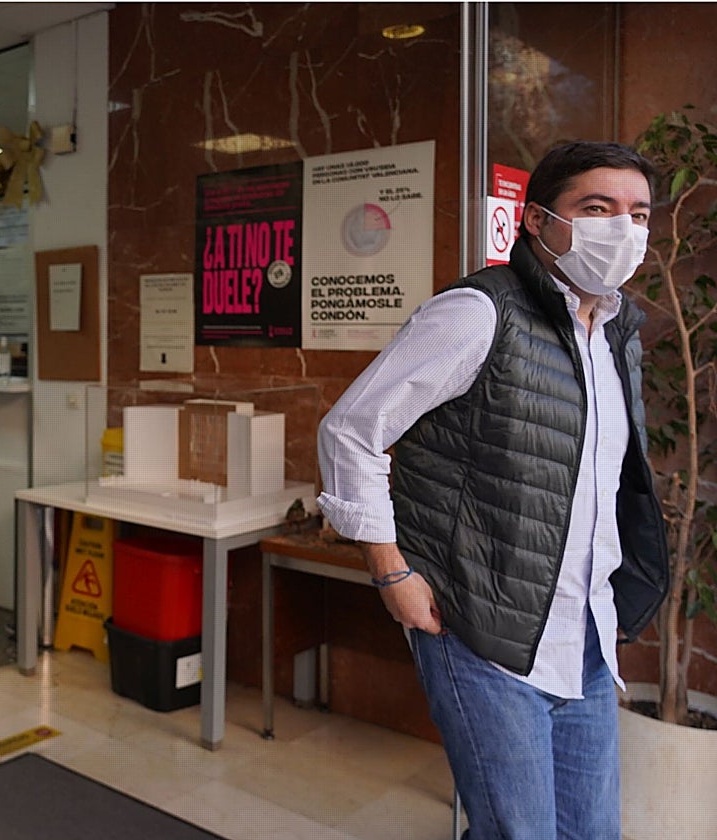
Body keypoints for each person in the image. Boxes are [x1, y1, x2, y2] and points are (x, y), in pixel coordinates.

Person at [316, 141, 669, 839]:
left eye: (637, 214)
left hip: (587, 633)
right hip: (480, 629)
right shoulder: (480, 312)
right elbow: (351, 431)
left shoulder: (617, 331)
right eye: (597, 208)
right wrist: (391, 573)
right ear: (537, 220)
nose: (623, 229)